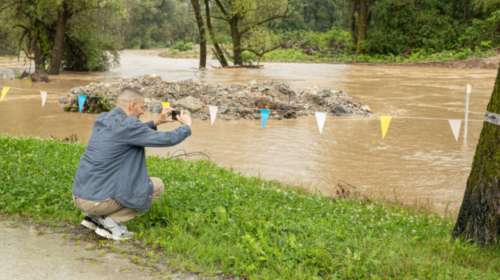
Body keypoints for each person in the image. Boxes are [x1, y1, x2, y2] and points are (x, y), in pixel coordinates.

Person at [72, 87, 192, 240]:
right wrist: (186, 127)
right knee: (156, 186)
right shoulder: (129, 124)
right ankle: (110, 224)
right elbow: (167, 139)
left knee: (115, 174)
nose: (142, 112)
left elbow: (128, 133)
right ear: (132, 105)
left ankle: (93, 218)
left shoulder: (102, 118)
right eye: (142, 108)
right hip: (95, 200)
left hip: (80, 195)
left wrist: (156, 122)